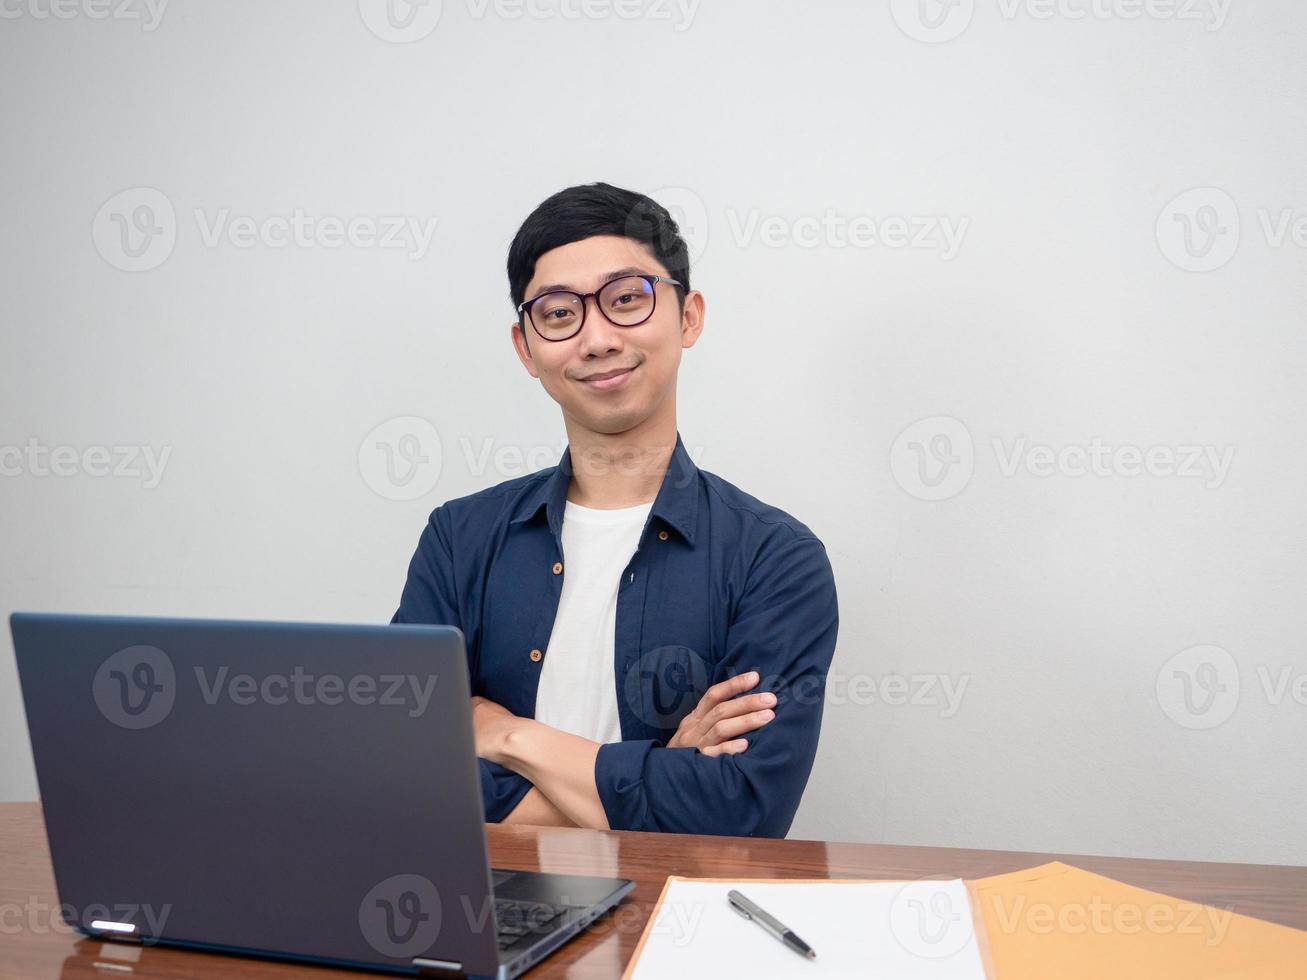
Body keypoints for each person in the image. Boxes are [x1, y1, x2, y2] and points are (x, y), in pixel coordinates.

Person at [392, 182, 839, 837]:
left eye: (626, 299)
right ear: (525, 348)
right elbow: (401, 768)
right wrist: (662, 775)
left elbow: (740, 812)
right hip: (484, 919)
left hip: (680, 926)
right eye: (557, 313)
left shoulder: (774, 558)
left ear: (688, 317)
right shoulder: (459, 539)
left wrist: (507, 736)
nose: (596, 338)